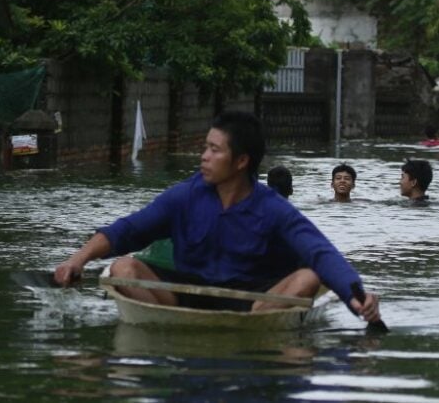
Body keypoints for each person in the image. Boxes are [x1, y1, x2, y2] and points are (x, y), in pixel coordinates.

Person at [54, 111, 380, 322]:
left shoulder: (273, 209)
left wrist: (358, 296)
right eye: (205, 148)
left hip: (255, 302)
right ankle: (170, 324)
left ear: (240, 162)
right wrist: (77, 260)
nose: (204, 157)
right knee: (123, 267)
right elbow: (126, 231)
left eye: (214, 150)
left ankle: (248, 330)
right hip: (183, 297)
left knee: (308, 277)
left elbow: (320, 253)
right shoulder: (184, 197)